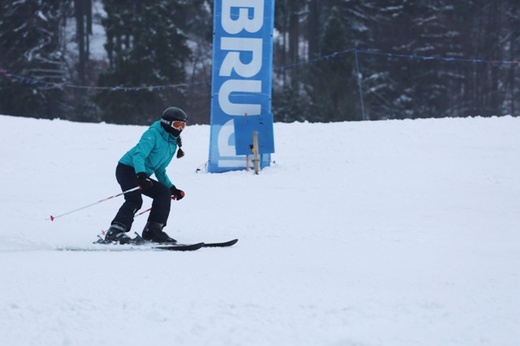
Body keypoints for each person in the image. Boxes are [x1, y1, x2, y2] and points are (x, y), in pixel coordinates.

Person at [104, 107, 187, 244]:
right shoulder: (152, 134)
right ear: (167, 123)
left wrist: (172, 189)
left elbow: (160, 170)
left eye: (183, 125)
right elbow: (139, 155)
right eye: (177, 125)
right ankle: (115, 231)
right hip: (127, 169)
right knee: (135, 199)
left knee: (163, 193)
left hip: (140, 173)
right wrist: (141, 176)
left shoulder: (172, 144)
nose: (180, 129)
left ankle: (153, 231)